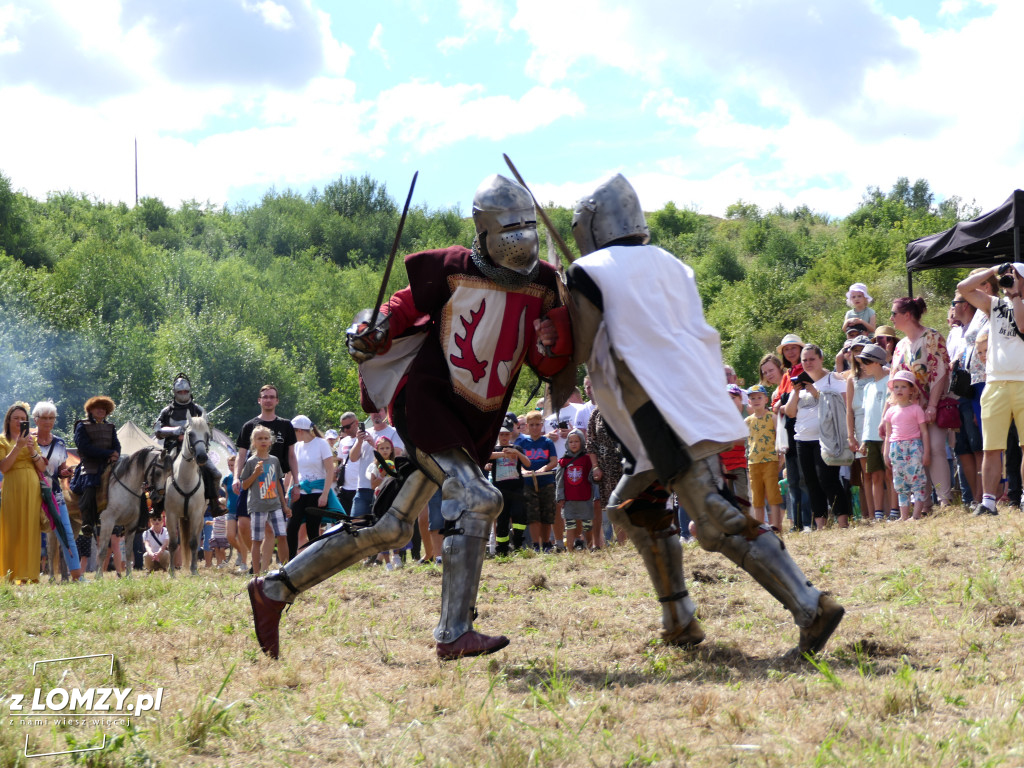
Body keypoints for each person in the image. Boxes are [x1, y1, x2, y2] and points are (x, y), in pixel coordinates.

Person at [248, 173, 572, 660]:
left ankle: (273, 589)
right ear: (484, 230)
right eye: (510, 227)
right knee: (478, 496)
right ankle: (454, 632)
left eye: (527, 225)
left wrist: (554, 340)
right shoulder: (449, 268)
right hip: (428, 403)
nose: (520, 237)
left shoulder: (546, 284)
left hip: (474, 422)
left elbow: (546, 362)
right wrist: (371, 327)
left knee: (391, 528)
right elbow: (397, 308)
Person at [543, 172, 843, 655]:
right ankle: (679, 619)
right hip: (695, 398)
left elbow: (577, 349)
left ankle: (809, 604)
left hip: (656, 412)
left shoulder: (591, 270)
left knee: (713, 519)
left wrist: (562, 305)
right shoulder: (673, 263)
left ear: (590, 225)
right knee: (636, 510)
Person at [958, 264, 1024, 515]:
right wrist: (994, 269)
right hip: (995, 382)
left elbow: (1022, 324)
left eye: (1017, 277)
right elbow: (963, 288)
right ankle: (987, 502)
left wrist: (1016, 295)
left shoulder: (1015, 301)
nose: (1011, 280)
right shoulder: (994, 304)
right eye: (1010, 277)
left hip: (1022, 381)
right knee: (991, 447)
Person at [889, 297, 952, 508]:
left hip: (933, 404)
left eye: (894, 314)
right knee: (916, 454)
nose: (891, 318)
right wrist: (887, 415)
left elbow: (940, 371)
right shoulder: (900, 346)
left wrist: (932, 405)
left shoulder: (931, 337)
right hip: (907, 410)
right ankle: (922, 505)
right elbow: (894, 382)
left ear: (907, 315)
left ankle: (944, 499)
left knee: (934, 448)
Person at [783, 344, 852, 529]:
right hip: (802, 440)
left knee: (827, 479)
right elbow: (789, 413)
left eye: (812, 359)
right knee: (811, 482)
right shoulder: (798, 384)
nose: (808, 363)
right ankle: (820, 524)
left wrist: (816, 393)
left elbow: (844, 405)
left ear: (821, 359)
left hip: (826, 439)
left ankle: (842, 521)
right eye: (804, 360)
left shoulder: (833, 379)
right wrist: (797, 391)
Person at [232, 385, 297, 570]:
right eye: (265, 397)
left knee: (274, 531)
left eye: (272, 397)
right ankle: (257, 559)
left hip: (274, 482)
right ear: (259, 400)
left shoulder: (285, 425)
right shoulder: (248, 426)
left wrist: (296, 483)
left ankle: (264, 568)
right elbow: (241, 455)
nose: (268, 399)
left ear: (277, 400)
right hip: (251, 482)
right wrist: (237, 477)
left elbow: (292, 456)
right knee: (244, 524)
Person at [30, 401, 83, 581]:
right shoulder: (28, 440)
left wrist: (65, 472)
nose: (48, 421)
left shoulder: (59, 442)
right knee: (27, 531)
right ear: (35, 420)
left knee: (66, 532)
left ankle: (77, 575)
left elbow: (60, 469)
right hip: (29, 491)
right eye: (44, 418)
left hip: (54, 492)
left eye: (51, 418)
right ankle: (24, 574)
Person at [154, 373, 220, 511]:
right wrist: (175, 432)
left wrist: (193, 437)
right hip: (173, 447)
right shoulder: (167, 411)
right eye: (180, 392)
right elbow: (157, 430)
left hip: (196, 450)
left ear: (190, 391)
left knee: (215, 473)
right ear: (175, 392)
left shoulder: (198, 410)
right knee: (159, 472)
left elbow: (208, 432)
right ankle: (157, 505)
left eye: (185, 391)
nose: (183, 394)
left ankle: (214, 503)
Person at [0, 402, 48, 583]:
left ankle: (29, 574)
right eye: (16, 418)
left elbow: (42, 467)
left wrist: (31, 450)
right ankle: (11, 574)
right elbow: (4, 467)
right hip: (12, 486)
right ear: (9, 420)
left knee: (31, 528)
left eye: (23, 419)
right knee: (12, 527)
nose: (20, 421)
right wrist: (18, 446)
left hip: (32, 487)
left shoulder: (32, 440)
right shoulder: (2, 440)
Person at [240, 426, 290, 574]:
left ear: (270, 442)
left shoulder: (274, 460)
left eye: (266, 438)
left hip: (275, 505)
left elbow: (278, 484)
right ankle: (257, 573)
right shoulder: (251, 461)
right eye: (259, 438)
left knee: (282, 535)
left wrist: (284, 505)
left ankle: (286, 569)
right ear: (253, 442)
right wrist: (255, 474)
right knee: (257, 540)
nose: (263, 441)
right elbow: (244, 485)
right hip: (258, 506)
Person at [287, 415, 338, 561]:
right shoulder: (296, 446)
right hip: (300, 491)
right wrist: (289, 490)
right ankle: (291, 560)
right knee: (292, 526)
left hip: (317, 492)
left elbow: (330, 470)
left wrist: (325, 494)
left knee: (312, 528)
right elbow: (294, 472)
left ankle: (315, 560)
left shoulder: (321, 443)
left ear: (300, 431)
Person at [883, 371, 931, 520]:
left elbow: (924, 432)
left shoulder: (916, 409)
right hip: (896, 448)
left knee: (917, 481)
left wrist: (926, 452)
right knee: (900, 482)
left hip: (914, 447)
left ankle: (916, 515)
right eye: (896, 387)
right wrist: (886, 453)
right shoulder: (890, 411)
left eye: (903, 386)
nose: (899, 390)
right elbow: (888, 435)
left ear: (911, 390)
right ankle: (904, 517)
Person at [73, 396, 121, 537]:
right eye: (97, 408)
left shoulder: (110, 426)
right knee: (89, 486)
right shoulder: (81, 425)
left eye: (104, 408)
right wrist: (108, 453)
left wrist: (116, 454)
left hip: (109, 463)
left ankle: (124, 521)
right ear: (91, 410)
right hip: (90, 464)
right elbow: (84, 447)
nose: (101, 410)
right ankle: (87, 522)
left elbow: (116, 444)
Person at [854, 344, 892, 521]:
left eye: (865, 362)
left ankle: (894, 510)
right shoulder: (868, 387)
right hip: (870, 438)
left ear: (876, 362)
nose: (862, 366)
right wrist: (863, 440)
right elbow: (868, 416)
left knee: (890, 474)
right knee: (875, 475)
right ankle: (878, 513)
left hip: (887, 436)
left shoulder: (890, 382)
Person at [517, 410, 559, 552]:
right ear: (527, 426)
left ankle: (546, 543)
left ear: (542, 425)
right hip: (528, 483)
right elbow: (518, 463)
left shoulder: (547, 442)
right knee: (533, 515)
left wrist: (544, 468)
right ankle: (536, 544)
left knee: (547, 514)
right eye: (532, 425)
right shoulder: (522, 442)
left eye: (537, 425)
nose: (535, 428)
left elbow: (554, 460)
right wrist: (523, 471)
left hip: (546, 481)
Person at [489, 414, 529, 554]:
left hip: (517, 489)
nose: (504, 437)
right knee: (502, 520)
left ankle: (518, 544)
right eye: (501, 434)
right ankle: (502, 550)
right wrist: (502, 454)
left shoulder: (517, 447)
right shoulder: (494, 450)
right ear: (498, 436)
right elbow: (487, 458)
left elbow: (528, 464)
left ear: (510, 434)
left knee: (519, 515)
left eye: (506, 434)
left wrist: (516, 453)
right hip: (500, 491)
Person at [744, 385, 782, 531]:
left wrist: (781, 456)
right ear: (749, 401)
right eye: (752, 398)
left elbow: (779, 438)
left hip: (770, 459)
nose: (756, 400)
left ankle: (777, 525)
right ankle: (759, 527)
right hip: (753, 461)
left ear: (766, 399)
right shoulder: (747, 421)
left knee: (773, 493)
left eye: (759, 397)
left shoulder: (772, 417)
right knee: (757, 497)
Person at [555, 429, 596, 550]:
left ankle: (590, 547)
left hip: (585, 497)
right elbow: (559, 481)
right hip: (569, 499)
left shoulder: (587, 459)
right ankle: (570, 552)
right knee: (570, 525)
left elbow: (592, 477)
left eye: (576, 441)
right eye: (571, 441)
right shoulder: (563, 461)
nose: (573, 444)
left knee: (587, 525)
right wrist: (560, 496)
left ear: (582, 442)